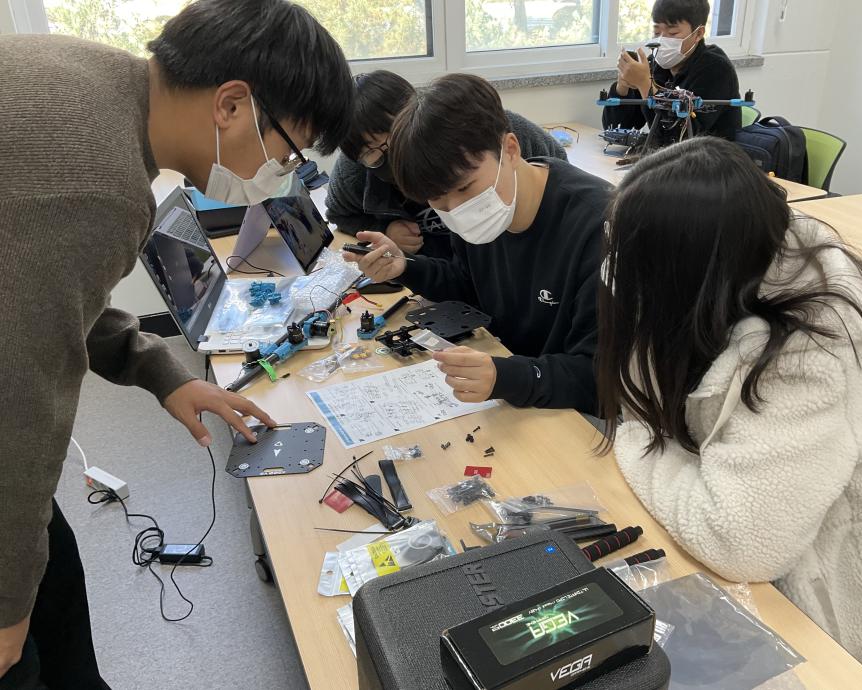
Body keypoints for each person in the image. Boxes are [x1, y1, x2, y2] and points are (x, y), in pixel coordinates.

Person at [0, 1, 353, 687]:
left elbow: (38, 298)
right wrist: (7, 604)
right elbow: (21, 395)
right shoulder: (96, 183)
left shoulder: (92, 77)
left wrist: (163, 372)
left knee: (53, 583)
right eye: (286, 151)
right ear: (231, 105)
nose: (283, 172)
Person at [596, 136, 862, 685]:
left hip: (855, 604)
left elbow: (740, 544)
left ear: (688, 270)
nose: (616, 269)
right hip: (775, 560)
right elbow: (643, 401)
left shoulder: (808, 353)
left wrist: (634, 442)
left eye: (636, 259)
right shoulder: (709, 293)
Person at [344, 74, 611, 414]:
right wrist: (405, 267)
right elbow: (469, 286)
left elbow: (600, 377)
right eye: (438, 200)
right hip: (520, 391)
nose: (456, 209)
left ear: (510, 149)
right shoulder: (489, 205)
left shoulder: (599, 227)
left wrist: (506, 376)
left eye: (465, 188)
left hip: (577, 413)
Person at [326, 70, 568, 260]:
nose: (393, 153)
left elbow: (553, 167)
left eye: (396, 136)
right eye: (372, 152)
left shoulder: (481, 129)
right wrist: (385, 229)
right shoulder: (354, 172)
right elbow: (339, 213)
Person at [602, 0, 741, 143]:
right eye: (657, 32)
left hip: (711, 155)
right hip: (666, 154)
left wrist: (645, 85)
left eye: (672, 33)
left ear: (698, 33)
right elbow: (615, 129)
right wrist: (622, 87)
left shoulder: (716, 69)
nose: (662, 41)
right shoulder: (655, 65)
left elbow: (677, 139)